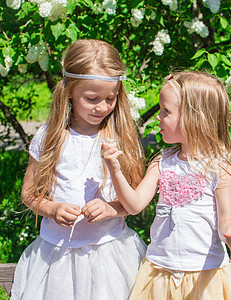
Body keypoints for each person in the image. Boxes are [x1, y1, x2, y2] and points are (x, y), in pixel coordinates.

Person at [11, 39, 147, 300]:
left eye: (110, 98)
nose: (102, 107)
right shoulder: (50, 137)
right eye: (92, 98)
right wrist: (51, 209)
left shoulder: (122, 138)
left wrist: (110, 208)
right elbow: (29, 193)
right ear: (70, 91)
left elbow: (135, 200)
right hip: (57, 255)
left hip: (109, 253)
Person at [101, 71, 231, 299]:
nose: (158, 117)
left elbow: (227, 220)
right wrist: (115, 169)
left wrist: (230, 232)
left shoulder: (219, 168)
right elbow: (134, 205)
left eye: (165, 111)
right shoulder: (162, 162)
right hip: (160, 272)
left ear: (193, 117)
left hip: (205, 274)